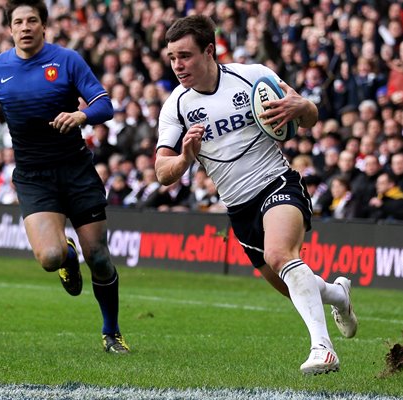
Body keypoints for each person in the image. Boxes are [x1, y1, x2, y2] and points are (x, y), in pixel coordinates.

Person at [155, 15, 357, 375]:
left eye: (184, 55)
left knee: (281, 254)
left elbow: (307, 115)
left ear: (209, 51)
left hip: (276, 183)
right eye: (172, 57)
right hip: (237, 207)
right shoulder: (176, 106)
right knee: (290, 285)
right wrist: (185, 157)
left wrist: (302, 107)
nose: (177, 65)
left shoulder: (252, 77)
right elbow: (162, 172)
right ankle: (338, 295)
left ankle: (323, 349)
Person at [0, 0, 129, 354]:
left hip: (76, 170)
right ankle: (68, 259)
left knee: (99, 256)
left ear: (43, 26)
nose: (25, 27)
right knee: (50, 257)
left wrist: (81, 116)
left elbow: (105, 104)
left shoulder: (67, 60)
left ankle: (111, 332)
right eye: (18, 22)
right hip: (33, 176)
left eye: (32, 20)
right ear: (9, 29)